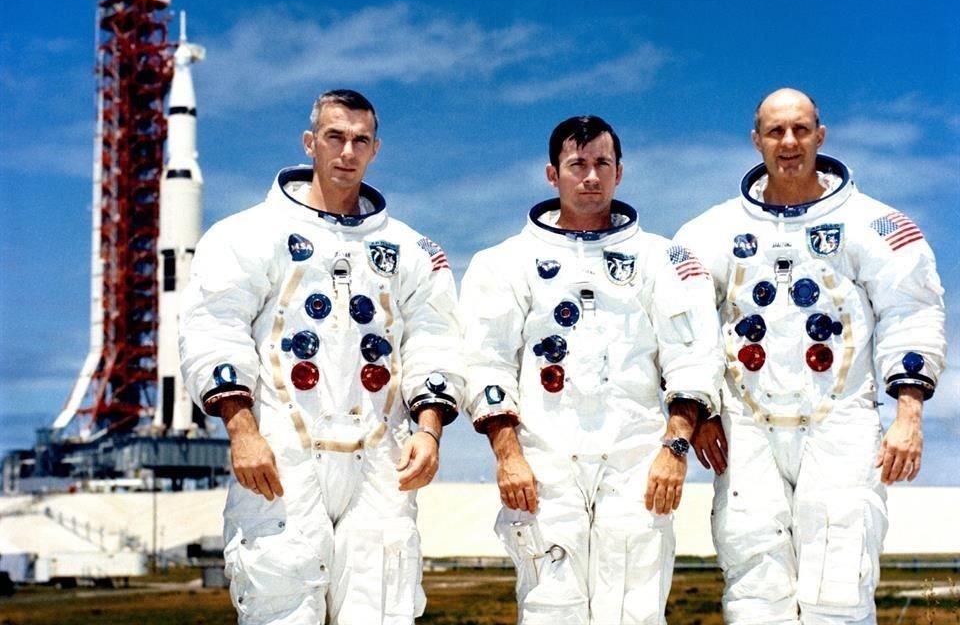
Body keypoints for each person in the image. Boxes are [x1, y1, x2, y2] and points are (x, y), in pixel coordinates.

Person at [179, 89, 465, 625]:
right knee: (280, 600)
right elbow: (214, 329)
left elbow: (436, 339)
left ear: (375, 149)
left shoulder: (412, 250)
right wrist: (242, 432)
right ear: (311, 143)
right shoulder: (248, 235)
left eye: (360, 140)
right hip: (282, 450)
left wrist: (429, 431)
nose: (347, 152)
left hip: (382, 453)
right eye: (335, 137)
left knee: (381, 604)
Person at [676, 88, 947, 624]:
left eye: (801, 129)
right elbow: (683, 324)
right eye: (776, 131)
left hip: (840, 419)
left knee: (839, 582)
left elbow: (911, 313)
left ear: (821, 136)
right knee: (755, 583)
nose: (789, 142)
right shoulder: (711, 232)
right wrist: (700, 411)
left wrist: (908, 416)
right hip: (745, 426)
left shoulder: (876, 226)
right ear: (756, 141)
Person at [460, 115, 724, 624]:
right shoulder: (503, 264)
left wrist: (674, 448)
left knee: (635, 607)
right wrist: (507, 454)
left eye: (602, 163)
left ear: (620, 172)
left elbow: (691, 359)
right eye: (576, 164)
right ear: (551, 173)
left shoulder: (664, 260)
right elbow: (486, 361)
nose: (590, 177)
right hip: (543, 460)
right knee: (549, 607)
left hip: (637, 460)